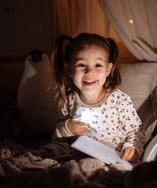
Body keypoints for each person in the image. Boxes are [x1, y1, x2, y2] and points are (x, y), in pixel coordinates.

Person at [51, 33, 144, 162]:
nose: (90, 72)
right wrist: (67, 128)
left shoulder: (119, 100)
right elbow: (55, 137)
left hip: (112, 156)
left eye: (98, 65)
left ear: (108, 69)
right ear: (69, 69)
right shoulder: (69, 101)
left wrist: (132, 148)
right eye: (82, 65)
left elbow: (136, 131)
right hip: (78, 156)